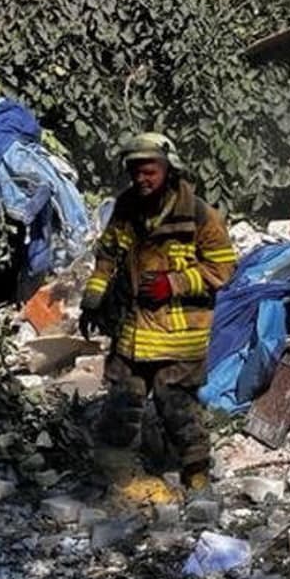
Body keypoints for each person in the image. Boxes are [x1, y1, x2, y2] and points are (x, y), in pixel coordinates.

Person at [79, 133, 238, 501]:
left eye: (149, 171)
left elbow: (224, 269)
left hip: (178, 335)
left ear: (169, 170)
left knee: (177, 407)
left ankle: (196, 476)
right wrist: (93, 298)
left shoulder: (198, 215)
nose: (141, 180)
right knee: (121, 404)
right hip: (132, 332)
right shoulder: (126, 209)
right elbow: (108, 255)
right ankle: (116, 479)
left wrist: (176, 282)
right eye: (135, 172)